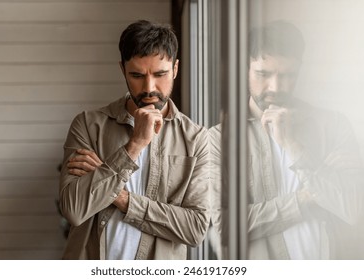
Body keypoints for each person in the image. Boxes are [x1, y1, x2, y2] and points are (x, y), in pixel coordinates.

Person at [210, 20, 364, 259]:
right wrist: (304, 199)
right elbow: (224, 226)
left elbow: (354, 209)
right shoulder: (218, 139)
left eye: (288, 75)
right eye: (263, 74)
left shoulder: (333, 125)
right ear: (245, 70)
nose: (275, 86)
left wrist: (294, 146)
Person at [58, 20, 210, 260]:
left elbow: (195, 229)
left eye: (160, 74)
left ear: (176, 69)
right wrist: (134, 145)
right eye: (137, 75)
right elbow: (74, 211)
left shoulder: (197, 139)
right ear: (123, 70)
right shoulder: (88, 125)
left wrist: (119, 196)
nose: (149, 88)